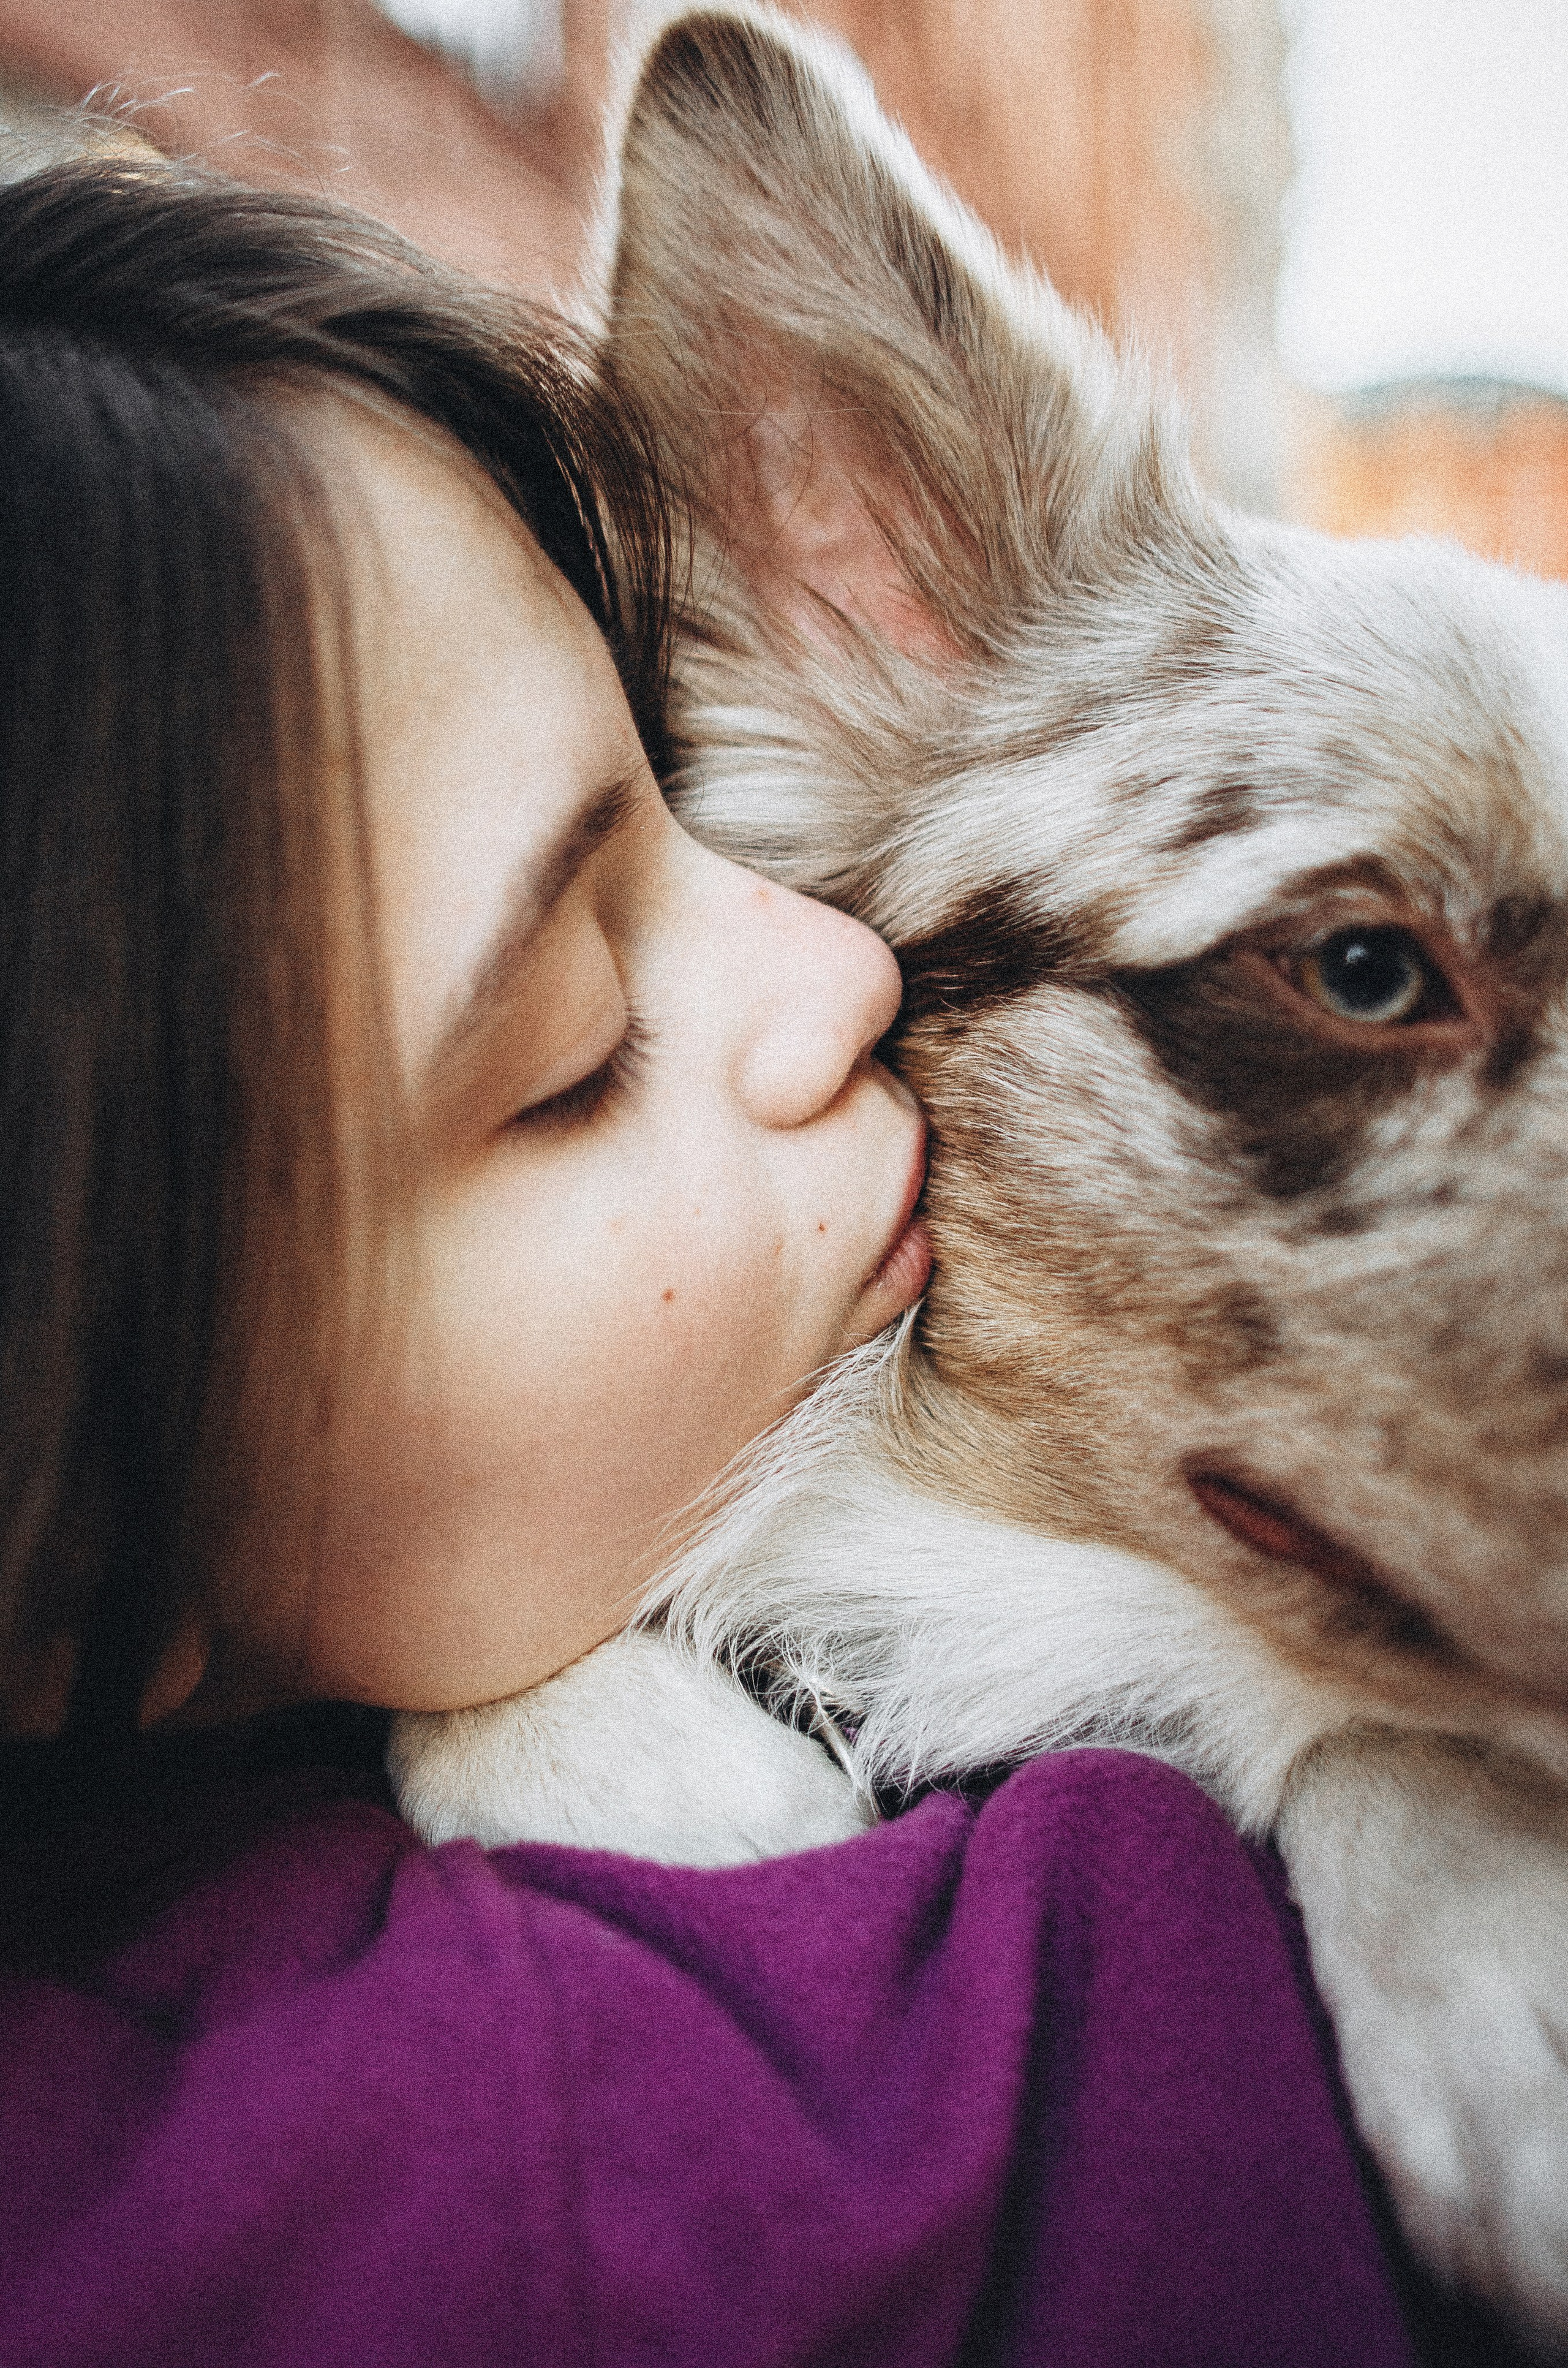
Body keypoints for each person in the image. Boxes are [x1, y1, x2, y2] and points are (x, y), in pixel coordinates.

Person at [0, 153, 1497, 2368]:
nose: (848, 966)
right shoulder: (555, 2168)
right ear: (83, 1558)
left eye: (678, 811)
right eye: (573, 1058)